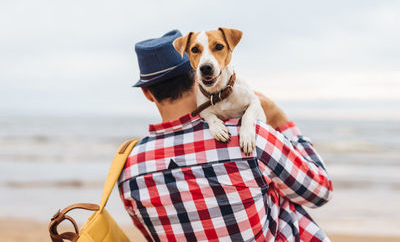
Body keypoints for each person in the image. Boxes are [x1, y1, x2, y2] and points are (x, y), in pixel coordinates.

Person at [118, 30, 333, 242]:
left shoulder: (128, 171)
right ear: (198, 73)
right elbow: (321, 191)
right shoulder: (252, 138)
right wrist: (280, 120)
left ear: (147, 92)